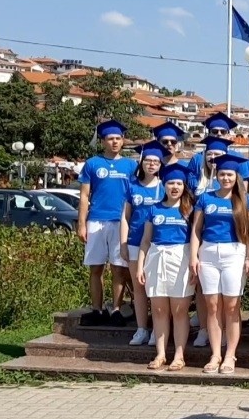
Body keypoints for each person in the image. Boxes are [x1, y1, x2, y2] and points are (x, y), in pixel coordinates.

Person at [189, 153, 249, 374]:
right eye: (223, 174)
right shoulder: (205, 198)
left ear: (237, 177)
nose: (226, 178)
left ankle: (230, 354)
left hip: (234, 253)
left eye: (230, 175)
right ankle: (215, 353)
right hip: (208, 253)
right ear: (216, 175)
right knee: (213, 306)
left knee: (232, 306)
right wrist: (193, 256)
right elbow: (196, 230)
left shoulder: (245, 200)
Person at [132, 163, 195, 371]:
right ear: (164, 185)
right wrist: (140, 266)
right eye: (170, 183)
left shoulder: (190, 210)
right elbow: (145, 241)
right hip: (156, 259)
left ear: (184, 186)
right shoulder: (154, 209)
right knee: (159, 310)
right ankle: (160, 354)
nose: (174, 187)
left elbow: (197, 239)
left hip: (181, 259)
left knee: (179, 310)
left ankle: (179, 355)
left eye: (178, 183)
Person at [78, 120, 136, 327]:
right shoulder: (92, 163)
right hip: (96, 220)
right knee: (96, 268)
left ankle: (117, 309)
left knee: (119, 269)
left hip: (120, 222)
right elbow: (84, 195)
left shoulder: (131, 165)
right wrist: (82, 224)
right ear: (103, 141)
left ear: (123, 140)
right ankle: (97, 309)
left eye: (118, 138)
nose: (115, 142)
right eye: (110, 139)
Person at [121, 140, 165, 345]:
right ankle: (141, 329)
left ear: (160, 164)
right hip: (135, 242)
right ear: (141, 162)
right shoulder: (132, 186)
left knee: (156, 289)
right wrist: (123, 243)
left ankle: (158, 329)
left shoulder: (165, 186)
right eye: (148, 160)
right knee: (138, 287)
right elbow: (125, 217)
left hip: (158, 244)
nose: (152, 164)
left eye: (156, 161)